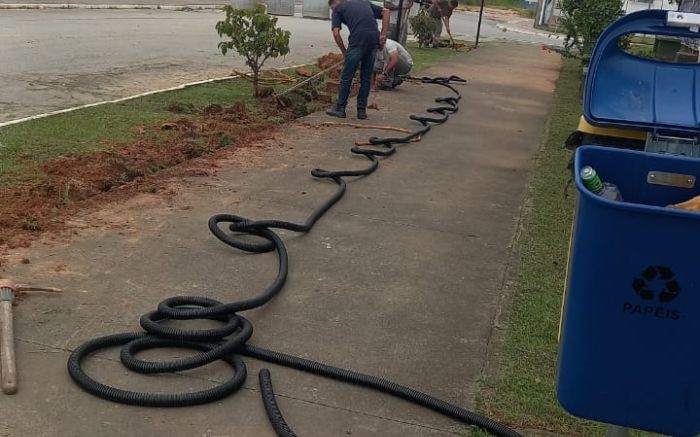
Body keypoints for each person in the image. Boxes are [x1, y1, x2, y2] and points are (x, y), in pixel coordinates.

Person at [326, 0, 390, 120]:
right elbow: (386, 11)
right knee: (366, 77)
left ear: (333, 4)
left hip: (358, 40)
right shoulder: (363, 2)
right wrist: (383, 34)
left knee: (346, 76)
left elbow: (336, 34)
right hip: (373, 40)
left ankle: (340, 108)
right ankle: (361, 111)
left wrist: (344, 52)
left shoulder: (337, 9)